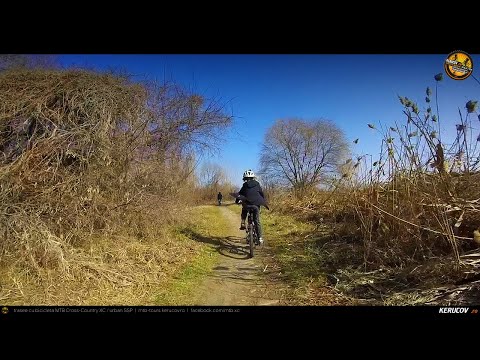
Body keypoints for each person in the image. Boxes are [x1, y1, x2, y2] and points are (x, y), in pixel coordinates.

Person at [235, 169, 268, 245]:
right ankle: (260, 238)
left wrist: (237, 201)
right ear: (253, 177)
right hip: (256, 206)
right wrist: (263, 201)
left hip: (247, 206)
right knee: (257, 221)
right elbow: (261, 194)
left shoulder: (244, 185)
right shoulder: (257, 184)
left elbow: (239, 194)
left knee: (244, 208)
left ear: (245, 179)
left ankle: (243, 222)